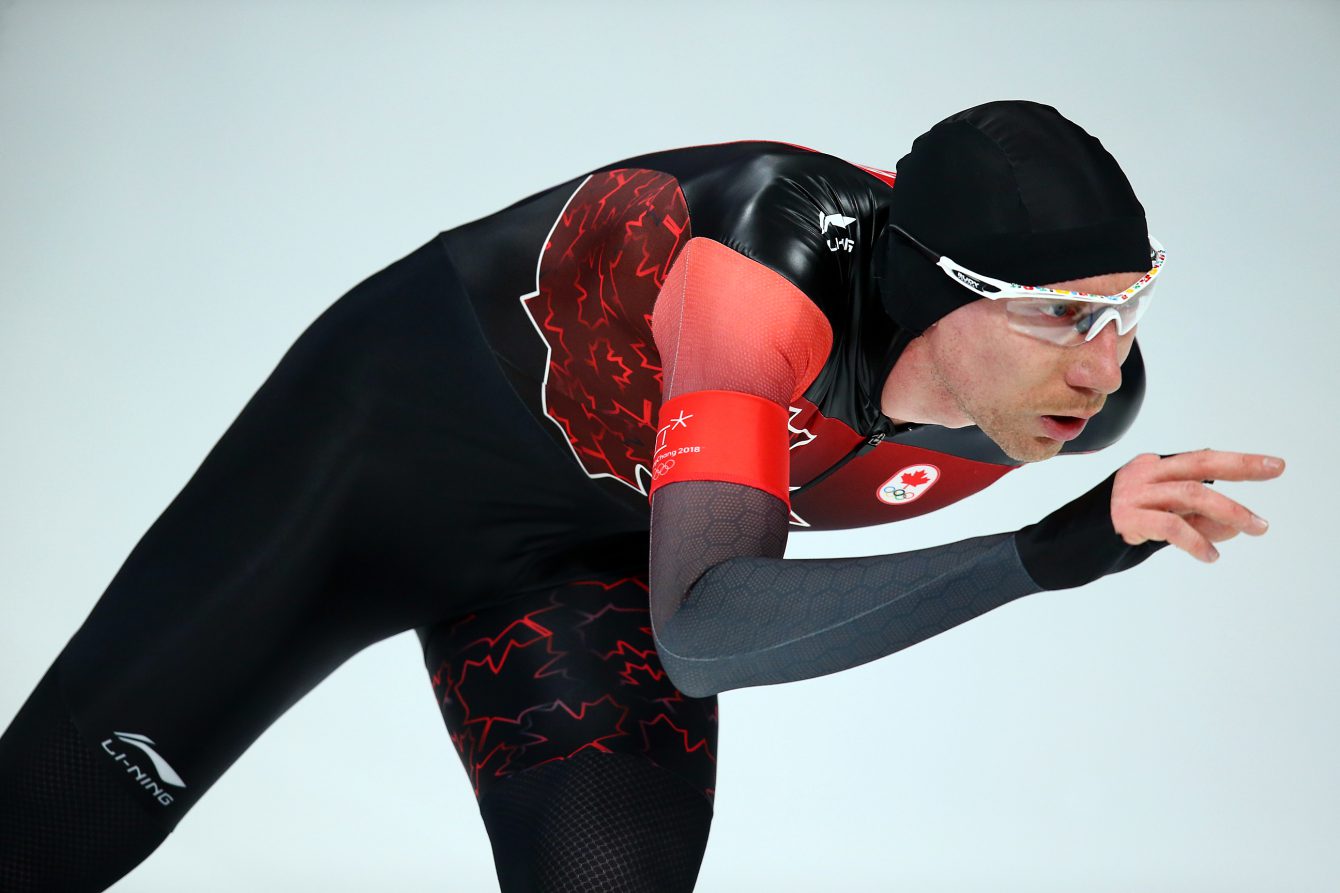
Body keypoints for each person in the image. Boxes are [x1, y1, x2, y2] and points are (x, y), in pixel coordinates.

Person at [0, 100, 1283, 893]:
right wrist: (1035, 557)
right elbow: (707, 629)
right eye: (1064, 314)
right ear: (942, 288)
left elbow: (687, 603)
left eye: (1128, 305)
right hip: (372, 462)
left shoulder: (1072, 403)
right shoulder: (753, 275)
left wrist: (1050, 506)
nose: (1102, 362)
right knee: (53, 834)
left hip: (597, 551)